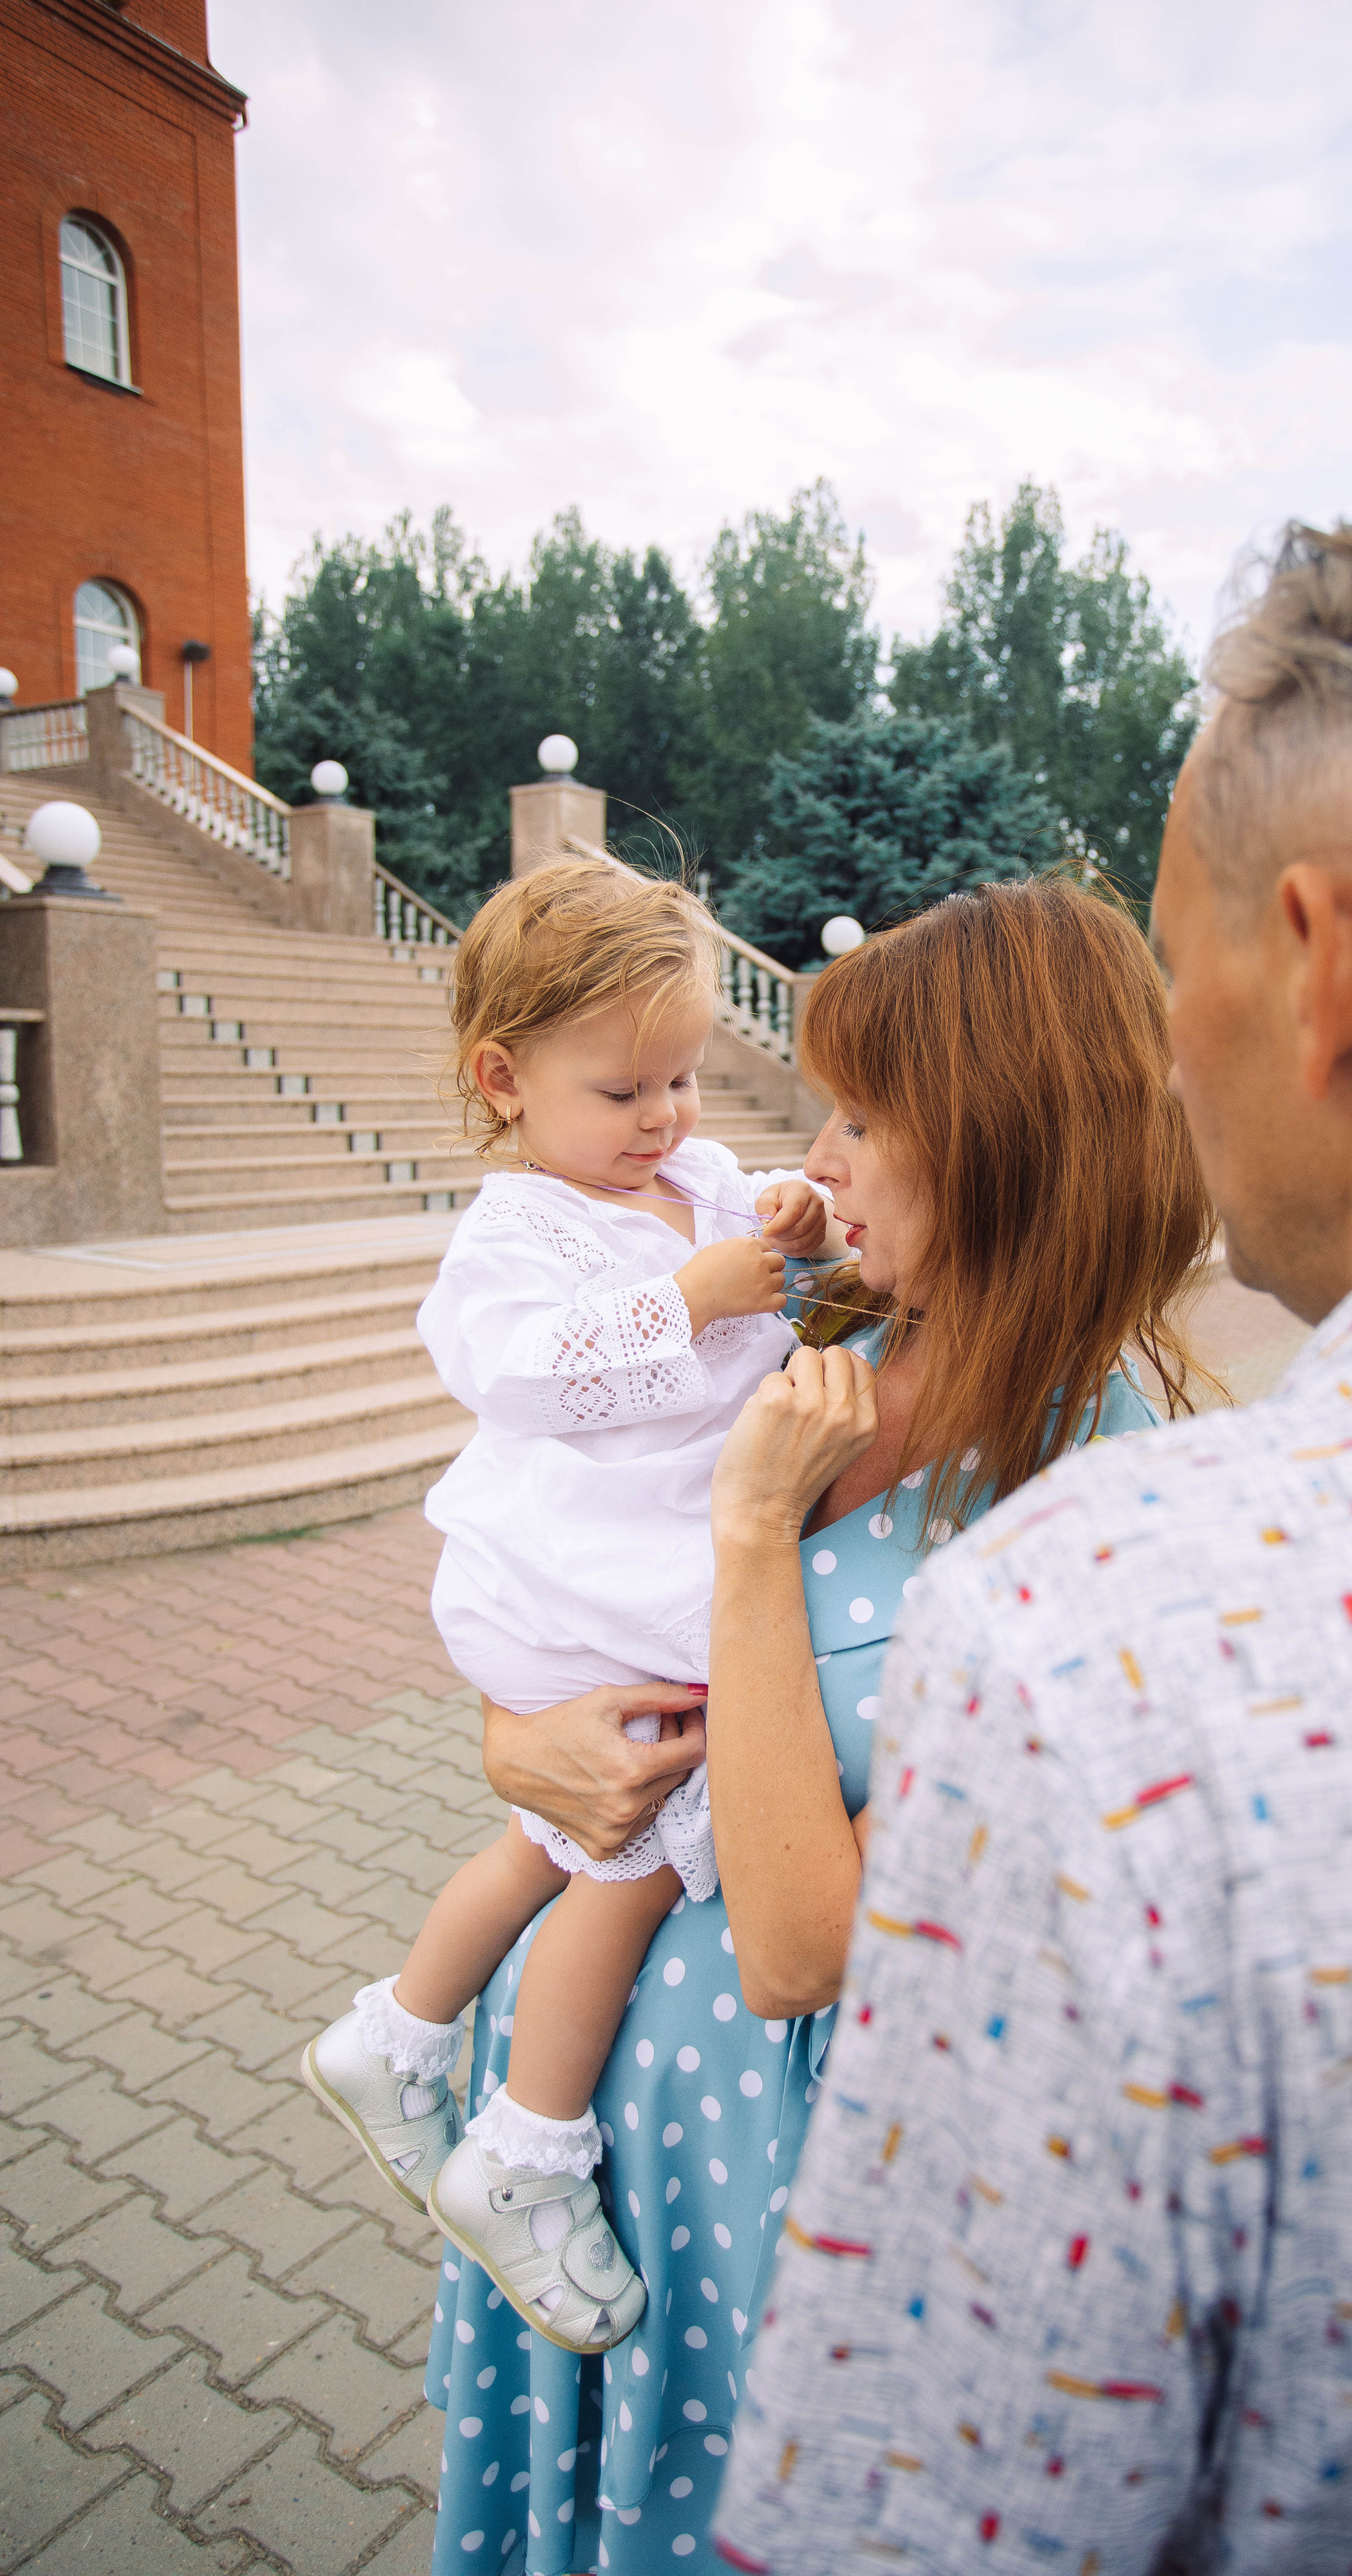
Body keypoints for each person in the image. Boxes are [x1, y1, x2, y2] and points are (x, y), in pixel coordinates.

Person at [714, 465, 1352, 2575]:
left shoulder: (1101, 1623)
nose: (1168, 1065)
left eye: (1179, 976)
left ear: (1325, 966)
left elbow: (925, 2513)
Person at [425, 872, 1214, 2574]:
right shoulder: (830, 1313)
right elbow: (557, 1570)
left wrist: (745, 1540)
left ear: (1001, 1143)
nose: (820, 1153)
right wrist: (516, 1741)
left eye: (866, 1116)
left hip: (791, 2163)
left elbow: (803, 1946)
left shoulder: (1085, 1480)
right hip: (592, 2123)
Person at [301, 856, 835, 2348]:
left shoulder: (691, 1179)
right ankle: (524, 2151)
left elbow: (772, 1222)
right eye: (624, 1091)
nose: (665, 1118)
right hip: (575, 1573)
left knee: (556, 1837)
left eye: (681, 1078)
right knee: (642, 1844)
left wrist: (782, 1214)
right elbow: (517, 1374)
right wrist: (696, 1298)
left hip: (642, 1566)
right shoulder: (516, 1232)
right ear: (505, 1077)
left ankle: (398, 2032)